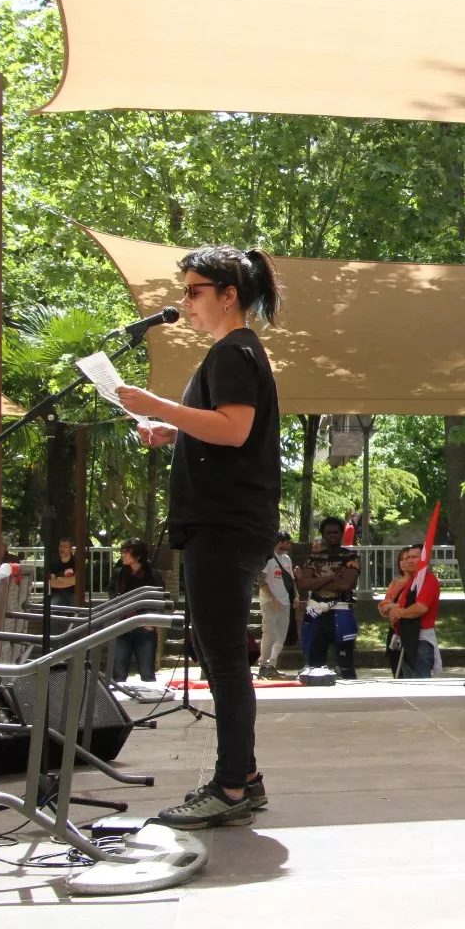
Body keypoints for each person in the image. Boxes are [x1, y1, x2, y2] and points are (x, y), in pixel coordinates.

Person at [119, 243, 282, 830]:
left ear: (227, 294)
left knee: (223, 662)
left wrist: (157, 404)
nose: (184, 303)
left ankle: (232, 787)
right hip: (225, 524)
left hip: (226, 526)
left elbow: (235, 430)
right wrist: (173, 431)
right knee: (219, 661)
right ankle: (246, 777)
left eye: (193, 291)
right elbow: (221, 431)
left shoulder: (233, 353)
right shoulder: (231, 354)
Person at [296, 516, 360, 678]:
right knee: (315, 663)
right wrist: (331, 578)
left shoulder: (351, 557)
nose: (332, 536)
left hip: (342, 612)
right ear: (323, 534)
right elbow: (303, 584)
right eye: (328, 533)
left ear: (341, 534)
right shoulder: (314, 557)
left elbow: (346, 585)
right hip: (317, 612)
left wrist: (316, 582)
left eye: (336, 532)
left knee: (345, 664)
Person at [380, 544, 442, 677]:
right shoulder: (412, 581)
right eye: (407, 557)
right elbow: (393, 606)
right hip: (406, 638)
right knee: (406, 684)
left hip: (420, 641)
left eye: (414, 557)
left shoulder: (428, 580)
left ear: (424, 559)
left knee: (420, 687)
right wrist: (397, 611)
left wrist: (398, 613)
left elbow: (420, 608)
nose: (409, 560)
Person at [111, 539, 165, 682]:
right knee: (118, 671)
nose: (123, 555)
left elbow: (160, 600)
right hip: (123, 626)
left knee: (147, 672)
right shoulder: (119, 573)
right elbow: (112, 597)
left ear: (138, 555)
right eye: (122, 551)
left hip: (144, 627)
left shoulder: (152, 575)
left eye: (127, 552)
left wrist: (153, 623)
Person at [256, 531, 294, 680]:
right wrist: (272, 599)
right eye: (287, 542)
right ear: (279, 543)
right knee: (269, 634)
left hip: (285, 601)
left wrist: (295, 595)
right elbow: (260, 580)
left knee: (281, 636)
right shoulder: (268, 559)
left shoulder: (287, 559)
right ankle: (263, 664)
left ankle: (272, 664)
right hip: (270, 602)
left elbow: (290, 579)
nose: (290, 544)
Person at [47, 537, 79, 605]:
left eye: (65, 547)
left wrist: (59, 578)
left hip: (73, 594)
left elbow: (77, 581)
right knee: (51, 608)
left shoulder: (76, 562)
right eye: (61, 546)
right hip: (57, 595)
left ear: (70, 549)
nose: (62, 549)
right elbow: (51, 583)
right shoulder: (53, 563)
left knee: (76, 608)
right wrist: (70, 582)